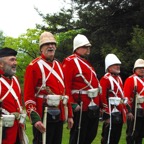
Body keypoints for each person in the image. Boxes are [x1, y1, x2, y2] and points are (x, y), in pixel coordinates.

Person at [24, 31, 73, 144]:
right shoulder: (34, 66)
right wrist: (35, 119)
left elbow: (65, 93)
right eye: (47, 44)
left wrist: (69, 115)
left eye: (53, 44)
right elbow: (28, 95)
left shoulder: (59, 65)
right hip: (43, 115)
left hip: (59, 114)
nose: (51, 46)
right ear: (41, 48)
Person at [62, 34, 101, 144]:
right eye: (85, 47)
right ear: (77, 48)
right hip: (81, 106)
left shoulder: (86, 63)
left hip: (92, 105)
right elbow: (66, 85)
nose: (88, 49)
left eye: (88, 47)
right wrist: (72, 104)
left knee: (90, 135)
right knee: (78, 137)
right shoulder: (70, 61)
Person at [0, 47, 27, 144]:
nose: (15, 63)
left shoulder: (15, 79)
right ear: (1, 64)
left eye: (15, 59)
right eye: (12, 60)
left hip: (17, 131)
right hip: (4, 133)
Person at [100, 53, 127, 144]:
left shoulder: (119, 78)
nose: (118, 66)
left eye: (118, 65)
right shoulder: (105, 79)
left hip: (118, 112)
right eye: (115, 65)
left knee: (116, 138)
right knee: (107, 139)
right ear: (109, 67)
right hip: (111, 113)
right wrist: (106, 115)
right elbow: (102, 96)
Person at [123, 58, 144, 144]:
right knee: (132, 134)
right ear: (135, 69)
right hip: (134, 111)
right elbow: (126, 97)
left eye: (143, 68)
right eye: (140, 68)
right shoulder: (130, 79)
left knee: (140, 135)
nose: (142, 69)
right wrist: (128, 111)